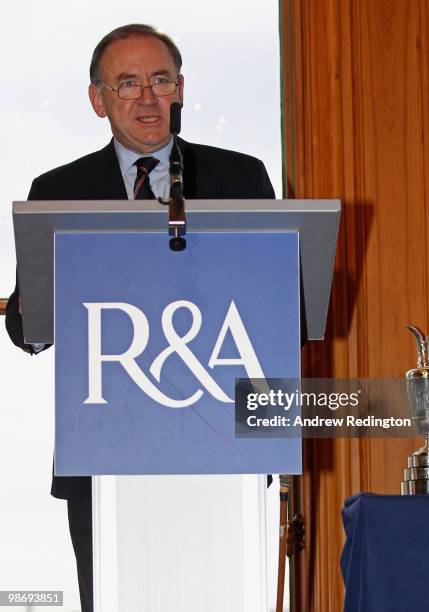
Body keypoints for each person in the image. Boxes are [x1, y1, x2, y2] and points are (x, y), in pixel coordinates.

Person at [4, 23, 274, 612]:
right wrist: (37, 302)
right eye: (127, 83)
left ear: (181, 90)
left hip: (219, 444)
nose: (147, 98)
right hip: (102, 449)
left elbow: (276, 302)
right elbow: (28, 329)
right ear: (98, 99)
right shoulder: (59, 188)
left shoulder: (240, 177)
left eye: (160, 80)